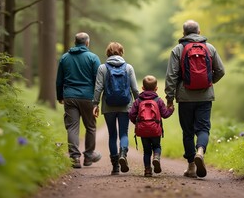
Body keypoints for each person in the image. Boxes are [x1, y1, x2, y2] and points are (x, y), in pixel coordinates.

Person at [165, 20, 225, 178]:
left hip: (185, 97)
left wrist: (170, 98)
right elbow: (221, 70)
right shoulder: (209, 48)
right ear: (199, 32)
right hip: (205, 96)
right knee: (203, 128)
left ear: (183, 33)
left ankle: (191, 166)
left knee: (188, 132)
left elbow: (171, 76)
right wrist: (209, 82)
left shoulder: (178, 49)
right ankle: (200, 151)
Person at [56, 32, 102, 169]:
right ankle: (88, 156)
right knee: (91, 127)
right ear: (87, 42)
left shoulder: (64, 58)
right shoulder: (93, 58)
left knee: (72, 128)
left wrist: (60, 96)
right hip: (88, 97)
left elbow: (59, 80)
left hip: (70, 97)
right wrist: (97, 100)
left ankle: (75, 157)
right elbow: (98, 81)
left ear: (75, 42)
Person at [93, 42, 139, 175]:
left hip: (109, 106)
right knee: (123, 133)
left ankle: (115, 167)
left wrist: (95, 104)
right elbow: (135, 88)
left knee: (112, 135)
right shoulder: (128, 67)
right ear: (121, 52)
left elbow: (98, 88)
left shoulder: (102, 68)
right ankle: (123, 153)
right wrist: (139, 103)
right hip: (125, 105)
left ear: (108, 53)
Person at [129, 75, 174, 177]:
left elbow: (131, 115)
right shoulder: (158, 100)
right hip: (155, 129)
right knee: (157, 146)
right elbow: (165, 114)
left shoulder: (138, 101)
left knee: (146, 151)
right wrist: (171, 109)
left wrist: (137, 124)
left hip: (143, 130)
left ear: (143, 88)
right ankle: (156, 157)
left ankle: (148, 171)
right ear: (156, 88)